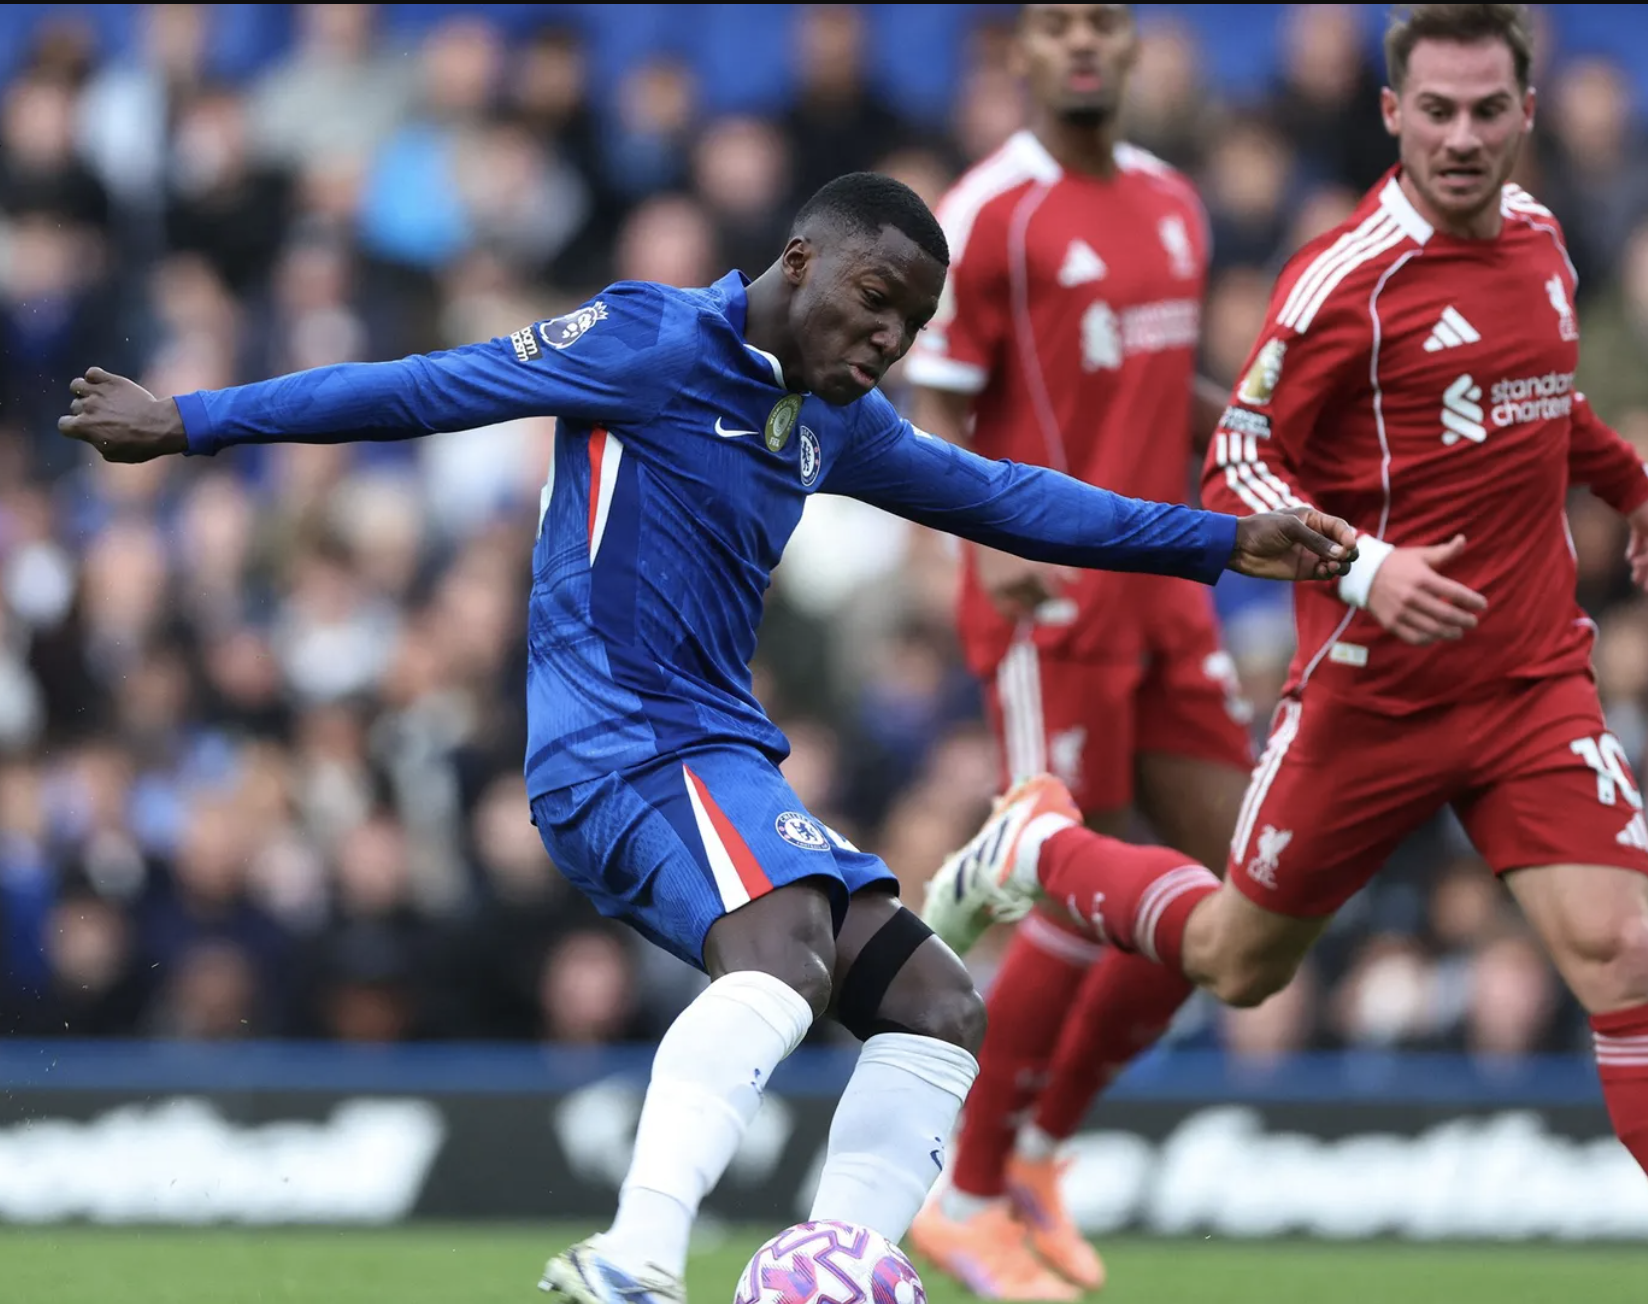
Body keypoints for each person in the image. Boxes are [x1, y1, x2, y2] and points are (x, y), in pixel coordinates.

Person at [56, 172, 1360, 1304]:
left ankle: (836, 1266)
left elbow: (1002, 498)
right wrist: (191, 421)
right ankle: (636, 1252)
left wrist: (1216, 540)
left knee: (933, 1004)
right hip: (620, 746)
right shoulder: (651, 342)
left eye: (911, 323)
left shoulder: (835, 419)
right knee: (784, 956)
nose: (889, 338)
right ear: (801, 260)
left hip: (714, 756)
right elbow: (427, 389)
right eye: (874, 299)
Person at [920, 8, 1648, 1304]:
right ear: (1392, 114)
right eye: (1439, 113)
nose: (1464, 138)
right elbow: (1236, 449)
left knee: (1624, 949)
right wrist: (1360, 566)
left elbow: (1541, 393)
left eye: (1488, 111)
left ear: (1528, 109)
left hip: (1528, 681)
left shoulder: (1541, 241)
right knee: (1241, 961)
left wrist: (1633, 487)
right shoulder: (1346, 276)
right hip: (1371, 694)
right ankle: (1036, 855)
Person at [900, 6, 1247, 1298]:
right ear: (1023, 53)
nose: (1084, 44)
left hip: (1172, 581)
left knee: (1234, 889)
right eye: (1058, 25)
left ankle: (1038, 1152)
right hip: (1051, 583)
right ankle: (967, 1194)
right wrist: (977, 537)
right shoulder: (993, 208)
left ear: (1138, 43)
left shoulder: (1173, 201)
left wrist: (1269, 450)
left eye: (1105, 19)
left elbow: (1162, 392)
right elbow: (930, 394)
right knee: (1071, 871)